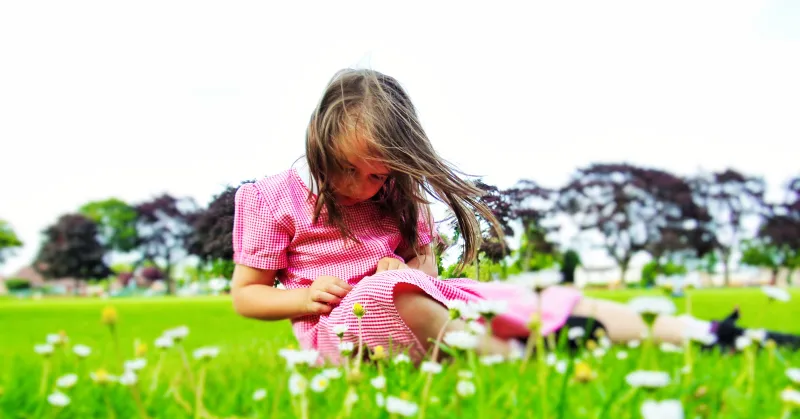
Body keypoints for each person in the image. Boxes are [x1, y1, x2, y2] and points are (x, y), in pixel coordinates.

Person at [230, 69, 799, 363]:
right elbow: (247, 296)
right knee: (396, 292)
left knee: (523, 299)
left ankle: (712, 335)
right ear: (319, 143)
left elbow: (420, 264)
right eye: (348, 170)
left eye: (379, 175)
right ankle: (522, 357)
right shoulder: (269, 199)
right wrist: (303, 299)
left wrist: (409, 269)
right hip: (342, 338)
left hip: (424, 306)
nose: (361, 187)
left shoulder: (400, 195)